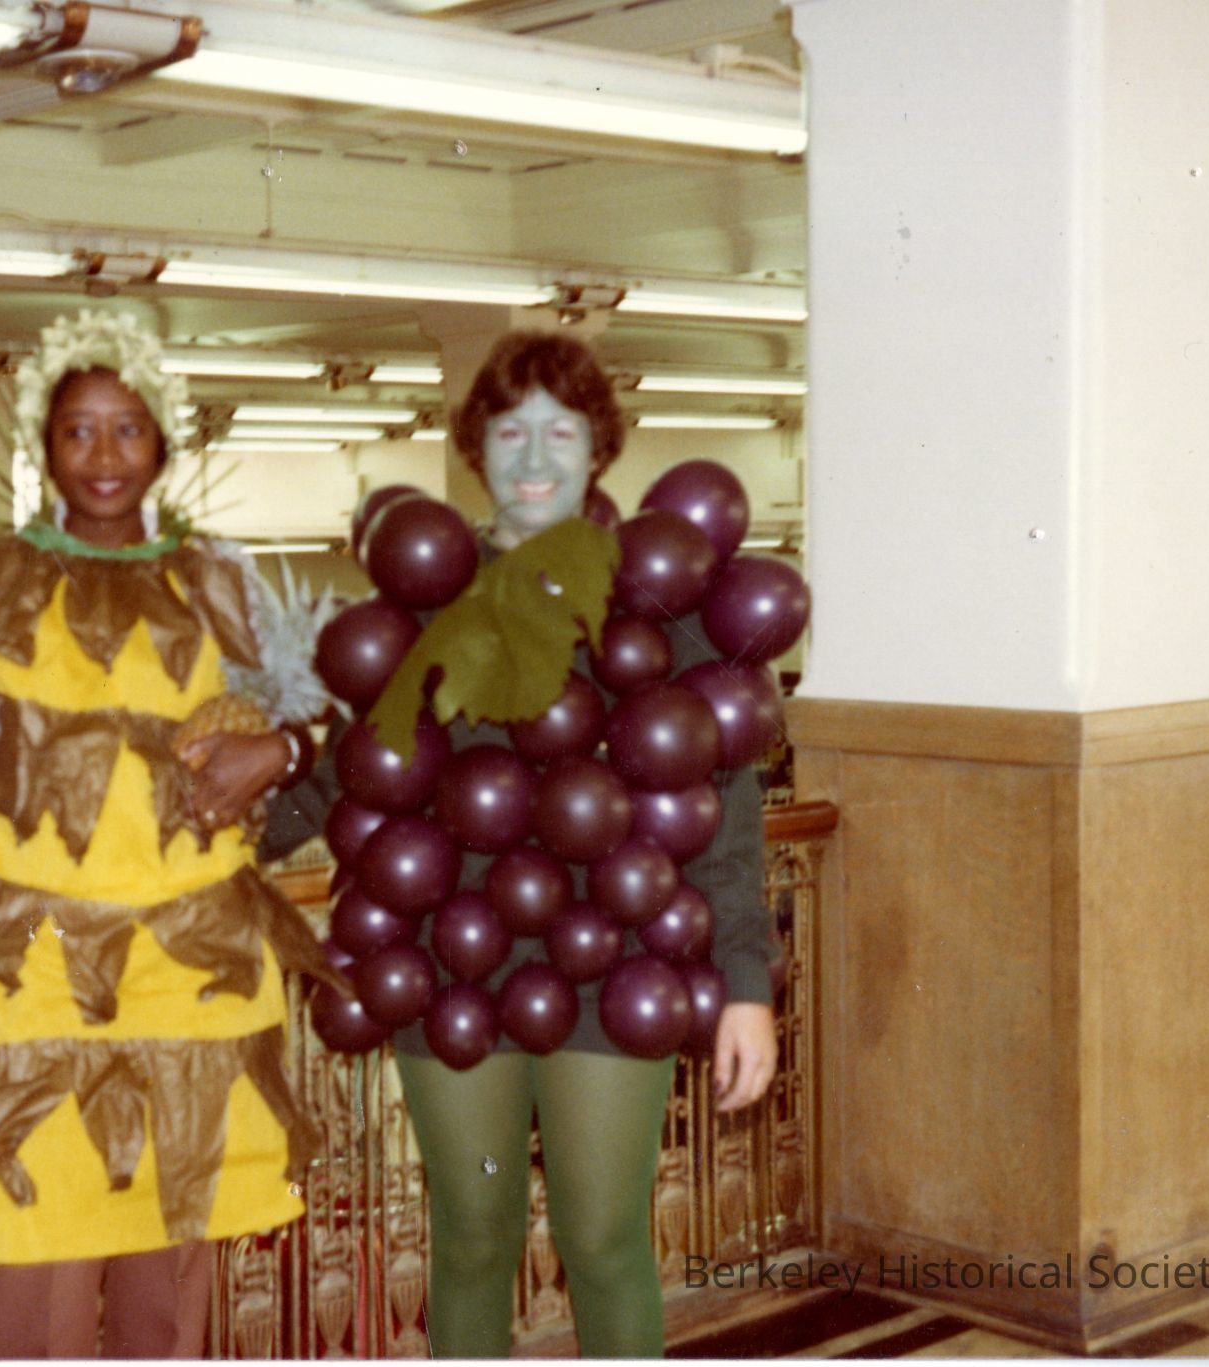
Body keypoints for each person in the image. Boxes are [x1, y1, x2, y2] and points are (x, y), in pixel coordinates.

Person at [263, 330, 779, 1358]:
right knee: (470, 1240)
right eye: (509, 432)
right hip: (448, 958)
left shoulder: (656, 601)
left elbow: (721, 812)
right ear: (474, 448)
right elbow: (350, 769)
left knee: (603, 1241)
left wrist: (745, 984)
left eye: (560, 431)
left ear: (599, 447)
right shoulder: (425, 594)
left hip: (615, 962)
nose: (533, 457)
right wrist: (213, 829)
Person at [0, 311, 330, 1358]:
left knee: (174, 1241)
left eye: (127, 428)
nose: (104, 454)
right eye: (78, 430)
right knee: (41, 1238)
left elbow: (321, 711)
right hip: (35, 960)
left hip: (191, 965)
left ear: (162, 443)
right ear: (44, 446)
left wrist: (273, 752)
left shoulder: (220, 578)